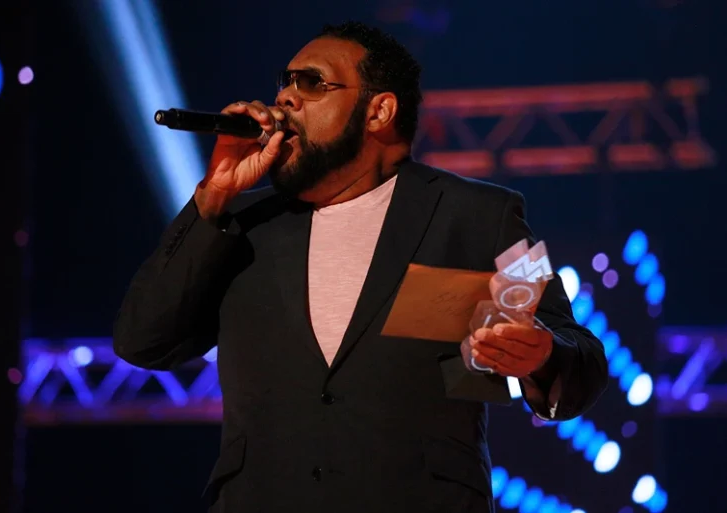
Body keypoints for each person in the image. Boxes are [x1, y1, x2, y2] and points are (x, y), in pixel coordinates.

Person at [113, 21, 608, 513]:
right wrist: (215, 196)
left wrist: (542, 356)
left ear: (379, 111)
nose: (285, 98)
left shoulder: (477, 215)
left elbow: (575, 350)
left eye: (311, 83)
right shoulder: (240, 221)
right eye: (284, 83)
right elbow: (143, 341)